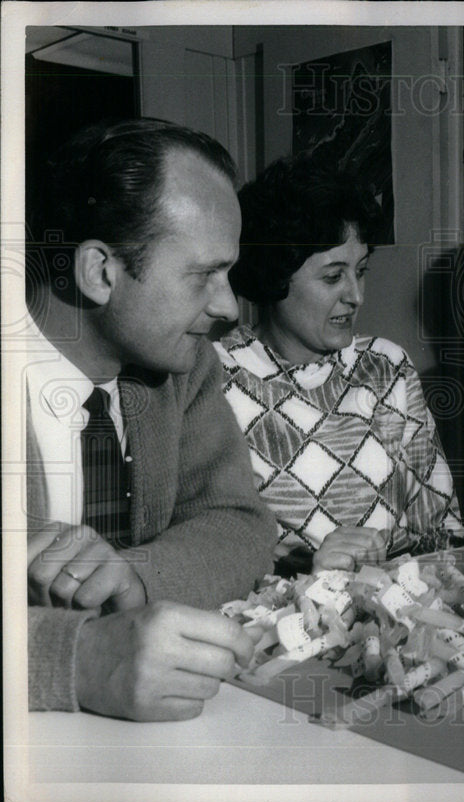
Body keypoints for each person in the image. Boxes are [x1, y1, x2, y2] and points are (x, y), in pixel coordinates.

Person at [25, 118, 276, 720]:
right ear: (100, 271)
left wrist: (137, 580)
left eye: (229, 273)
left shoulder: (182, 368)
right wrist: (76, 658)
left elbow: (238, 522)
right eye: (202, 276)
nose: (228, 307)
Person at [216, 151, 464, 573]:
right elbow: (212, 550)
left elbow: (442, 531)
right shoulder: (218, 378)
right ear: (276, 274)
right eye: (333, 277)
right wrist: (304, 567)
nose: (356, 295)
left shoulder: (386, 367)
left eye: (361, 270)